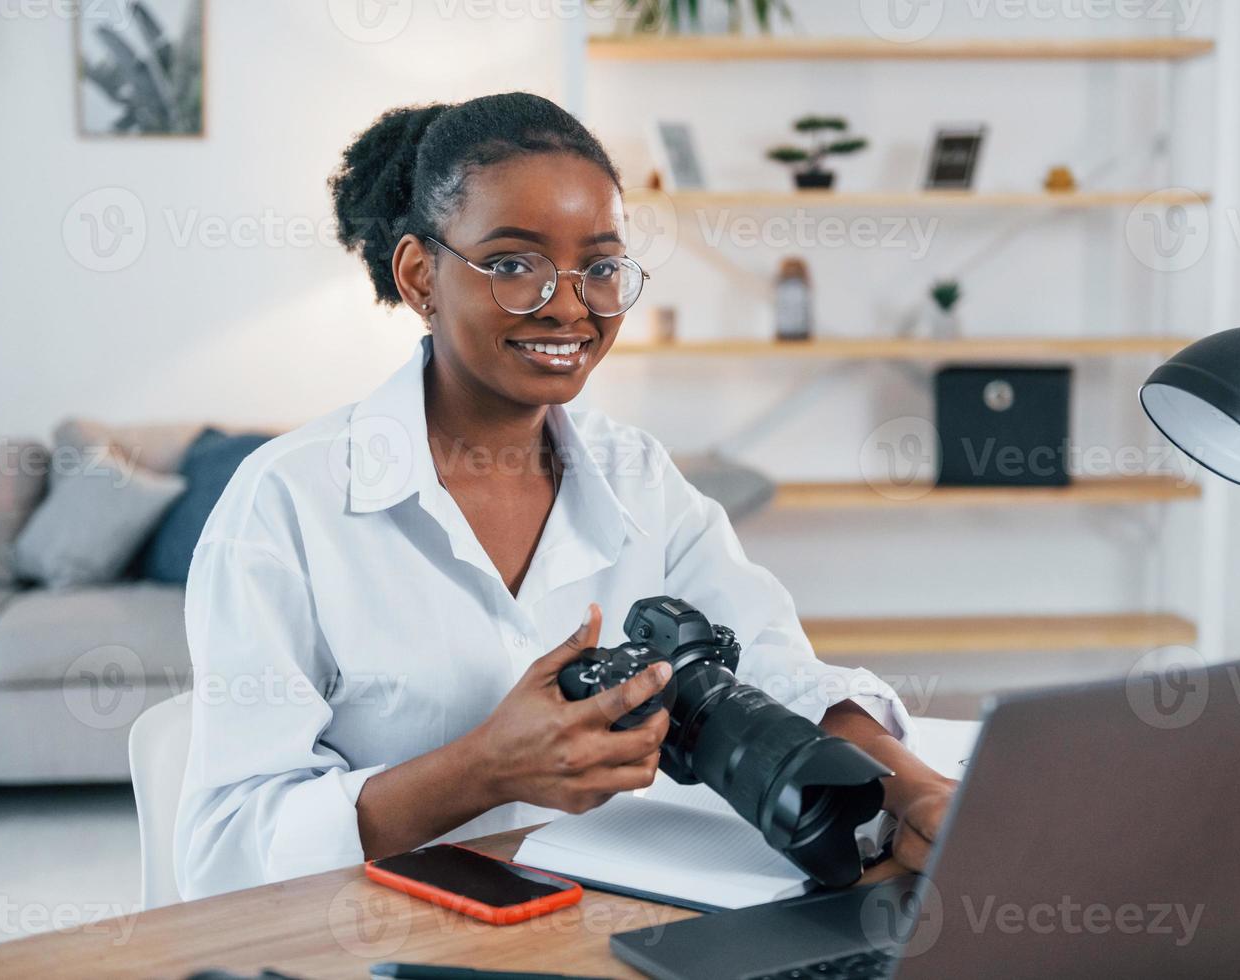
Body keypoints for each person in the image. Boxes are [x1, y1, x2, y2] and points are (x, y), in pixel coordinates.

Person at [173, 92, 955, 900]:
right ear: (419, 276)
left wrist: (917, 789)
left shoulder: (637, 478)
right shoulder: (285, 505)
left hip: (611, 926)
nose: (570, 305)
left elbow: (778, 670)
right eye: (514, 264)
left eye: (601, 267)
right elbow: (227, 847)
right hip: (372, 939)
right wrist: (482, 770)